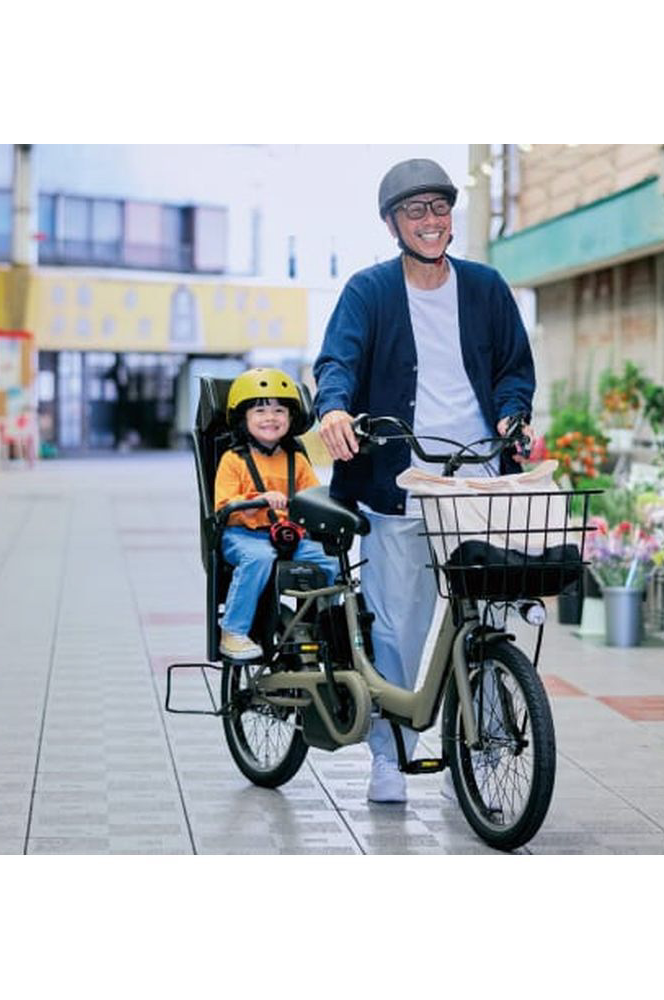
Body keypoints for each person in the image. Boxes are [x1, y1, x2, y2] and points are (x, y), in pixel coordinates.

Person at [313, 157, 536, 803]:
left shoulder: (486, 287)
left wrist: (512, 411)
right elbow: (337, 361)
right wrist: (334, 409)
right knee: (398, 625)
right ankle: (391, 755)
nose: (431, 220)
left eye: (439, 207)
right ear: (393, 224)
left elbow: (514, 369)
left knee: (487, 614)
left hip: (478, 477)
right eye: (415, 211)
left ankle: (484, 736)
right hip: (398, 479)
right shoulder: (369, 290)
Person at [215, 367, 338, 661]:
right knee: (258, 558)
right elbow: (223, 507)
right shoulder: (233, 460)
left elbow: (314, 498)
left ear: (291, 418)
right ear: (243, 419)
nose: (270, 417)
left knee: (331, 563)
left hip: (290, 536)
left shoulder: (297, 459)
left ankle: (322, 624)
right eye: (260, 410)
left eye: (279, 410)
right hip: (243, 535)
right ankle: (233, 631)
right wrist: (258, 500)